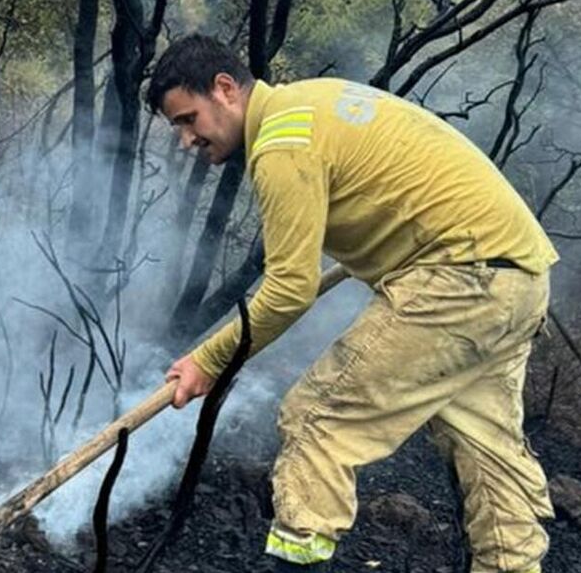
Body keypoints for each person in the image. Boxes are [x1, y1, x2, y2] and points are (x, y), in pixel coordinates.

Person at [148, 35, 557, 573]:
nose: (185, 140)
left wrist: (207, 360)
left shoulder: (281, 141)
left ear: (225, 89)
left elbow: (290, 289)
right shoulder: (312, 103)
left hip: (461, 279)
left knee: (316, 419)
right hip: (516, 281)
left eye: (187, 118)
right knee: (487, 452)